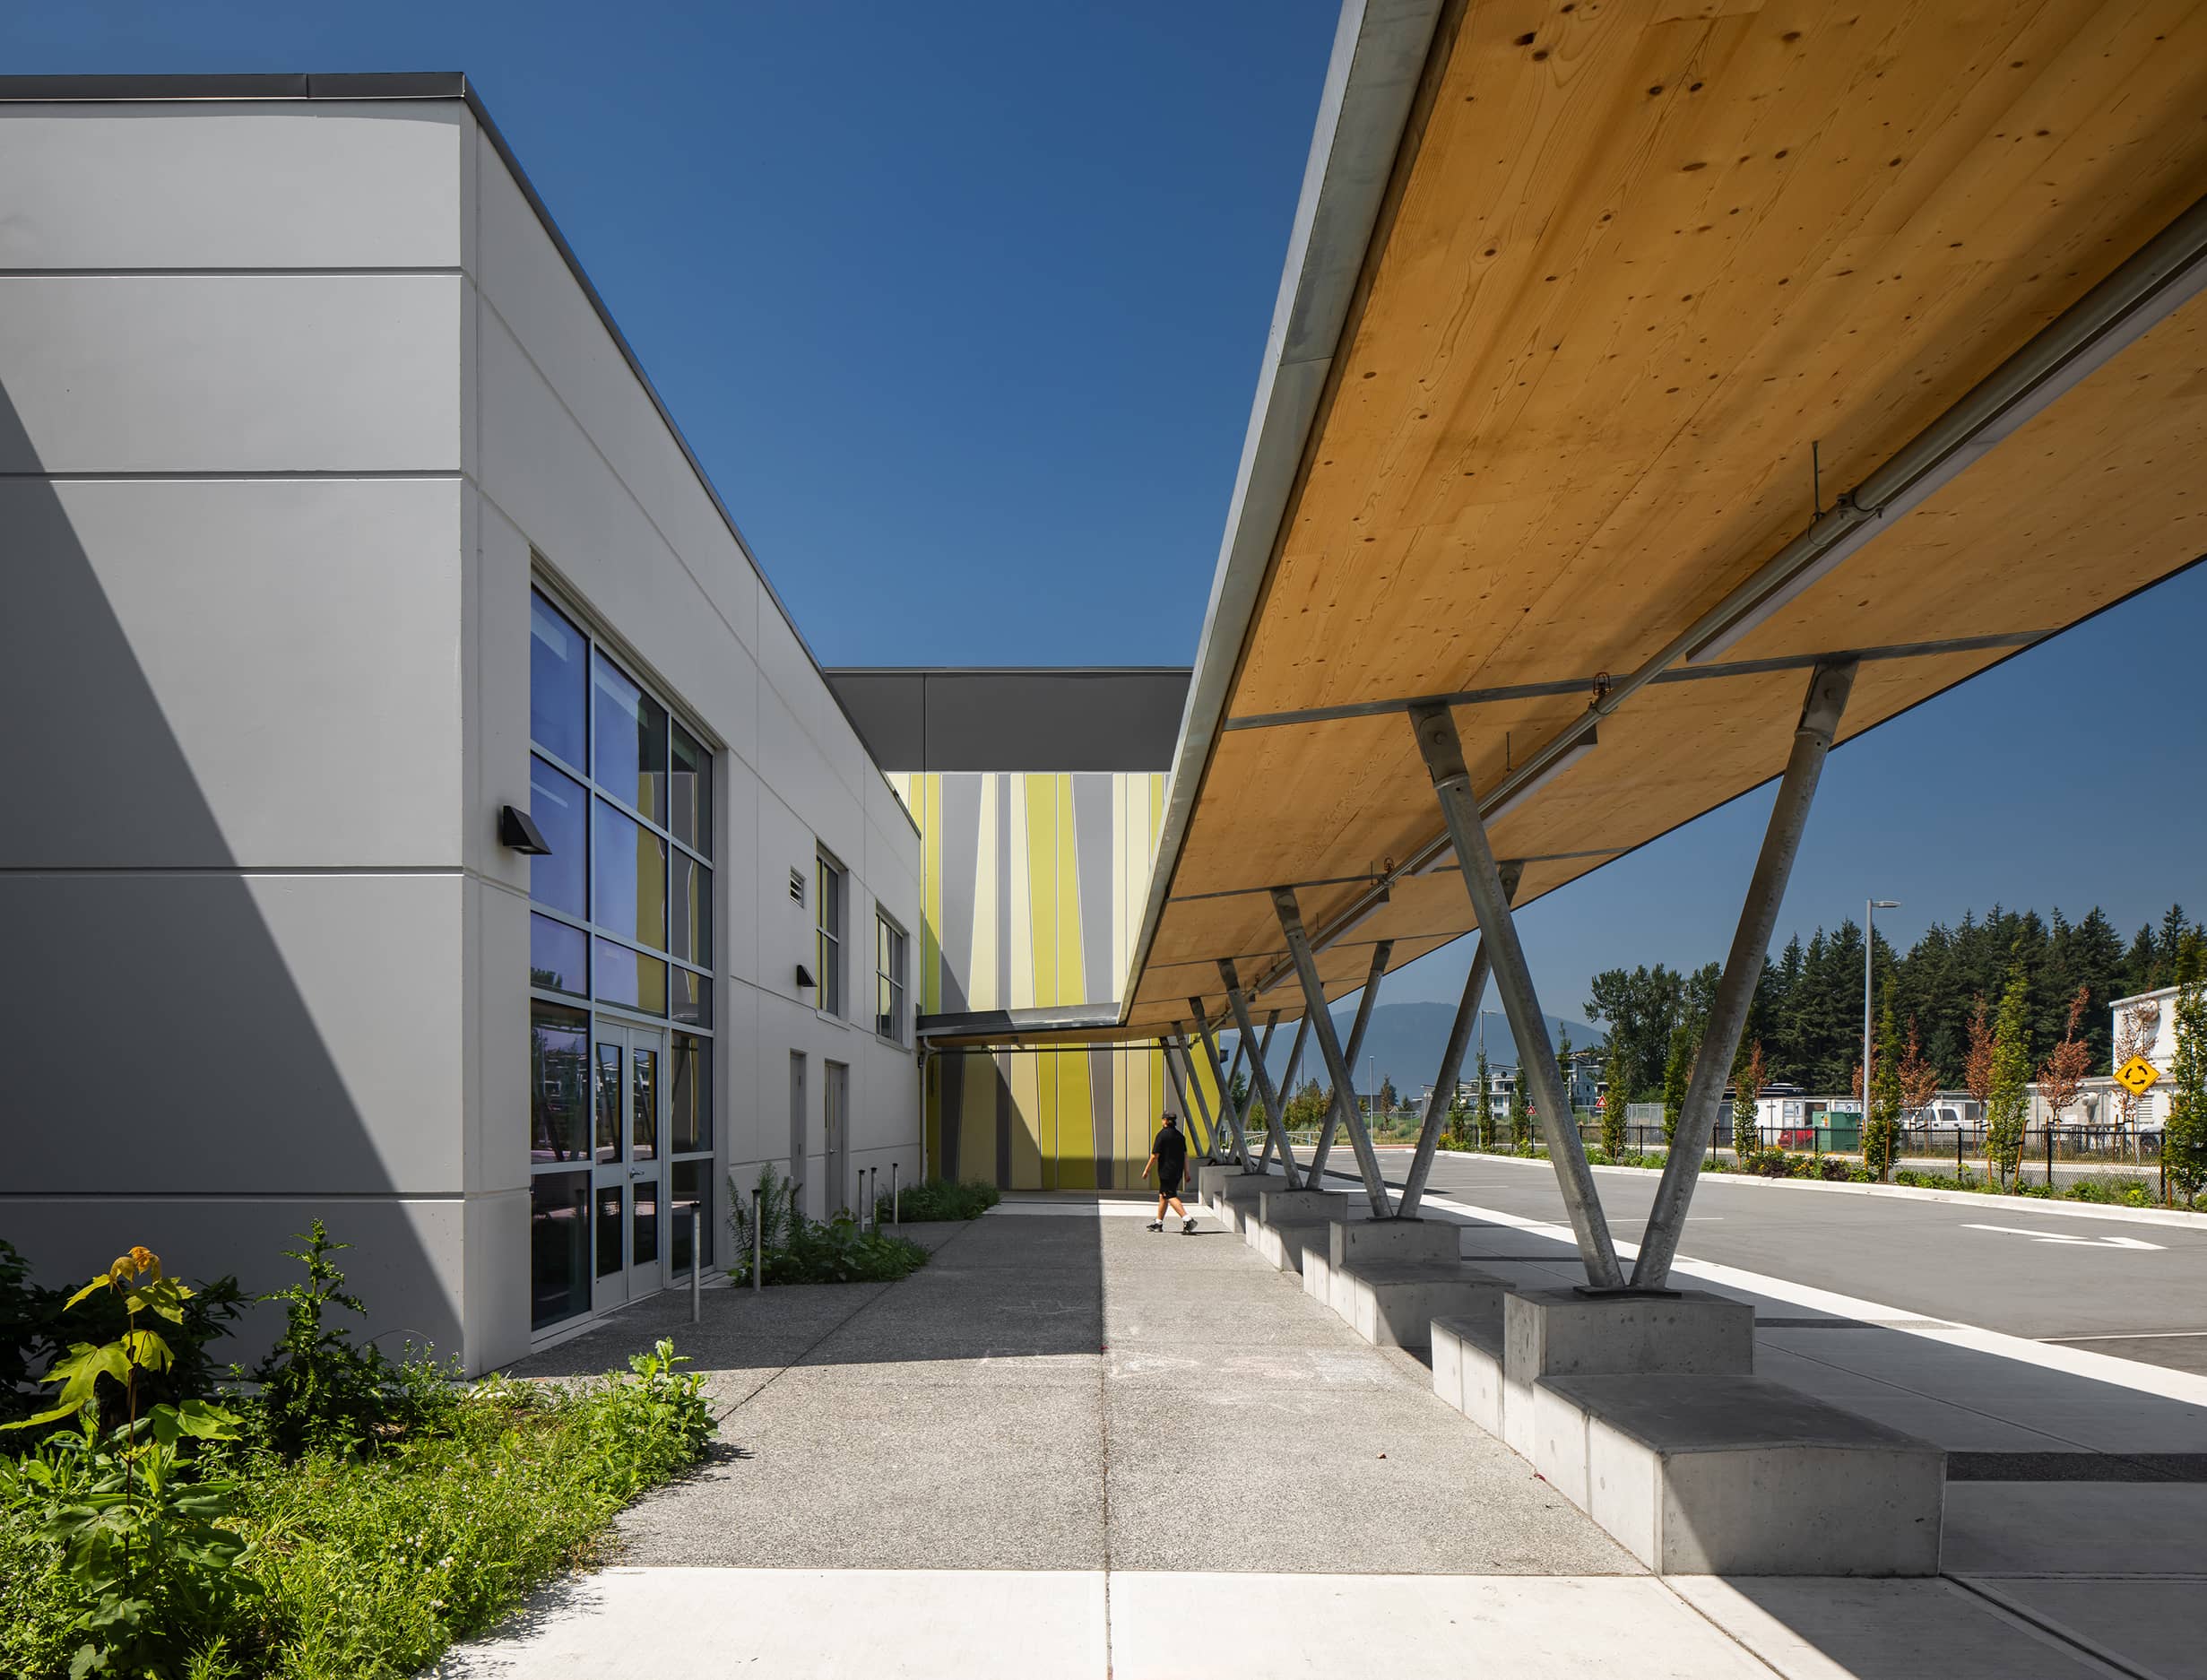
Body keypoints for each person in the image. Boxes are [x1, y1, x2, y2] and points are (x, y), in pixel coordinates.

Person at [1142, 1112, 1198, 1234]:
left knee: (1170, 1195)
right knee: (1163, 1195)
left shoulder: (1162, 1135)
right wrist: (1187, 1172)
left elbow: (1154, 1155)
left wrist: (1146, 1170)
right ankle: (1158, 1223)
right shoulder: (1180, 1136)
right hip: (1177, 1171)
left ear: (1165, 1121)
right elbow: (1185, 1156)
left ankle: (1188, 1219)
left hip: (1166, 1172)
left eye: (1163, 1120)